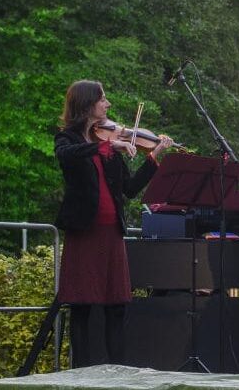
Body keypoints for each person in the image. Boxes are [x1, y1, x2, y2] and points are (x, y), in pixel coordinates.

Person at [54, 80, 173, 367]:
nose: (108, 105)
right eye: (103, 100)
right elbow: (66, 157)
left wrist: (154, 158)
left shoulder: (109, 146)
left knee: (116, 305)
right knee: (82, 305)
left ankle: (117, 370)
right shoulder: (69, 139)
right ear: (86, 104)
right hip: (84, 231)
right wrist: (106, 145)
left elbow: (130, 189)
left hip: (111, 233)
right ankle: (79, 373)